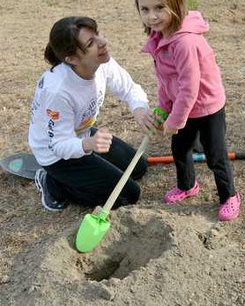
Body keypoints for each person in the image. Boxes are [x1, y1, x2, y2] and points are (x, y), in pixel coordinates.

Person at [133, 0, 240, 221]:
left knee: (215, 155)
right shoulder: (160, 38)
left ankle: (229, 195)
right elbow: (166, 80)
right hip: (183, 106)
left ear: (176, 3)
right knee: (180, 149)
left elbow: (190, 87)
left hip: (206, 106)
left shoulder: (184, 42)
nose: (152, 16)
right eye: (144, 9)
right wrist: (163, 108)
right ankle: (187, 185)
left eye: (159, 8)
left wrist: (174, 121)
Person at [28, 16, 156, 211]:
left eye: (97, 34)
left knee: (139, 167)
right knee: (129, 194)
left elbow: (129, 88)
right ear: (72, 59)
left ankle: (89, 165)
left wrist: (139, 110)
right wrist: (87, 144)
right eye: (91, 43)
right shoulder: (58, 91)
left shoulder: (102, 62)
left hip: (83, 134)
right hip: (57, 153)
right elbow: (59, 145)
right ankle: (52, 184)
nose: (102, 42)